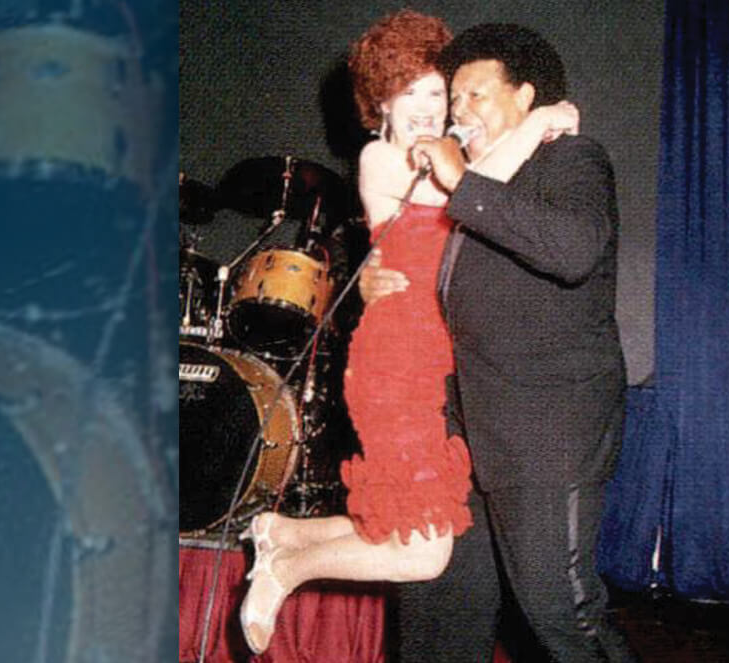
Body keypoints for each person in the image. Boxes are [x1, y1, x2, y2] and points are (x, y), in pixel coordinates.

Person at [237, 11, 581, 655]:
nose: (426, 109)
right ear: (381, 106)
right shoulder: (379, 158)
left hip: (440, 371)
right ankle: (286, 565)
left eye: (437, 94)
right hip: (396, 366)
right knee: (423, 557)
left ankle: (284, 533)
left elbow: (493, 210)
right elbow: (473, 192)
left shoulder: (451, 155)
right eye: (410, 94)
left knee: (407, 524)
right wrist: (537, 122)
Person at [365, 23, 639, 662]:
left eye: (475, 97)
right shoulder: (486, 182)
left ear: (527, 97)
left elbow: (573, 250)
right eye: (453, 103)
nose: (459, 115)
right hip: (471, 428)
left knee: (559, 608)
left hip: (548, 425)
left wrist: (466, 184)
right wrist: (374, 282)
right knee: (441, 606)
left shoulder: (573, 160)